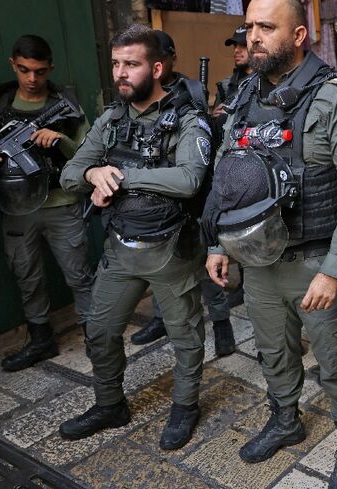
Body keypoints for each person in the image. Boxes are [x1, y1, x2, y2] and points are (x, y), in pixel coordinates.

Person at [201, 0, 337, 486]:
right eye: (250, 27)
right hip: (257, 262)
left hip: (316, 261)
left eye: (266, 27)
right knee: (273, 351)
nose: (252, 37)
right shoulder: (242, 96)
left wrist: (334, 269)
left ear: (300, 36)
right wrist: (218, 243)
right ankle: (285, 420)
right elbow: (226, 176)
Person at [57, 24, 211, 451]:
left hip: (171, 248)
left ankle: (185, 406)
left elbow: (189, 179)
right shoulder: (112, 118)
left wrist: (122, 177)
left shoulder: (187, 117)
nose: (120, 73)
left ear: (157, 68)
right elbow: (70, 174)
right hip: (121, 248)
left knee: (185, 337)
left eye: (131, 64)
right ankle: (110, 405)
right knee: (100, 331)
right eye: (116, 64)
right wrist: (92, 171)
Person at [0, 35, 93, 372]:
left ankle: (96, 335)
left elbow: (90, 155)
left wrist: (60, 139)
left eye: (39, 71)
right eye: (23, 70)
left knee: (78, 274)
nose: (32, 79)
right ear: (13, 65)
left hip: (61, 203)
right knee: (27, 276)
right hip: (16, 208)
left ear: (50, 67)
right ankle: (41, 339)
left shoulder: (66, 104)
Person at [128, 30, 240, 358]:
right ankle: (161, 318)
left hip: (192, 195)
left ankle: (221, 325)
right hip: (154, 197)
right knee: (161, 267)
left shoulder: (189, 92)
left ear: (168, 60)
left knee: (206, 266)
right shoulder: (135, 93)